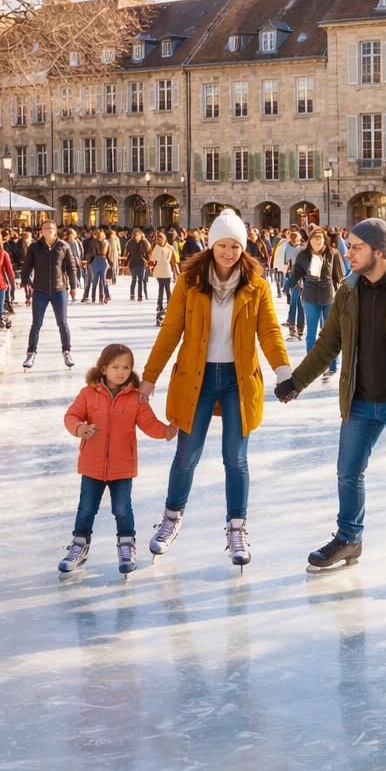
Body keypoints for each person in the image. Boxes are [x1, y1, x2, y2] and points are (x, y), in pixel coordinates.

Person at [274, 217, 386, 586]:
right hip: (359, 400)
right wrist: (296, 382)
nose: (349, 253)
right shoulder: (348, 291)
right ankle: (349, 538)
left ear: (380, 251)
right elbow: (328, 344)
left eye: (357, 247)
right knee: (348, 472)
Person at [139, 211, 290, 570]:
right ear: (211, 245)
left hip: (239, 381)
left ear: (243, 247)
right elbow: (170, 331)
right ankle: (171, 519)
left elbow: (269, 331)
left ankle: (237, 527)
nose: (228, 252)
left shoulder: (256, 285)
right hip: (198, 379)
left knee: (235, 458)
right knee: (186, 455)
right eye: (222, 244)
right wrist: (149, 376)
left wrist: (283, 371)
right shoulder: (190, 282)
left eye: (235, 246)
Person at [56, 343, 177, 575]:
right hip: (92, 465)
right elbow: (71, 416)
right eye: (115, 367)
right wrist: (79, 428)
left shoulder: (136, 398)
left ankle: (126, 545)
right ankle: (79, 546)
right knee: (86, 509)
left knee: (122, 509)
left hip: (122, 466)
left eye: (126, 367)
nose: (121, 372)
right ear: (103, 369)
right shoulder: (88, 394)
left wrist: (166, 431)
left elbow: (149, 424)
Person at [21, 218, 81, 370]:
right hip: (40, 290)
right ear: (41, 231)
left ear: (55, 231)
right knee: (36, 324)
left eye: (51, 228)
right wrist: (26, 282)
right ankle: (31, 353)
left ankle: (67, 351)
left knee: (63, 323)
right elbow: (26, 266)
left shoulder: (63, 246)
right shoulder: (34, 247)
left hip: (59, 290)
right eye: (45, 228)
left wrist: (73, 286)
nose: (48, 230)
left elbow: (71, 267)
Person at [288, 226, 345, 377]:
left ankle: (332, 364)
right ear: (310, 239)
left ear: (324, 239)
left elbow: (339, 275)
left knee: (329, 332)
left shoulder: (332, 253)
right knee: (311, 333)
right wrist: (290, 283)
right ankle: (311, 365)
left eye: (320, 237)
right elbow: (297, 272)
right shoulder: (303, 255)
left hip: (328, 297)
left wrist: (340, 291)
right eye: (315, 237)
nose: (318, 240)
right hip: (310, 297)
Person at [125, 227, 151, 302]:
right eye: (135, 234)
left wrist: (144, 239)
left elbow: (149, 248)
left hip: (142, 264)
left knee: (140, 280)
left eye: (138, 234)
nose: (137, 236)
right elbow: (128, 252)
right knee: (134, 279)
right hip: (133, 263)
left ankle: (140, 296)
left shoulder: (143, 242)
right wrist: (127, 264)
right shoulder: (130, 242)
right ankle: (132, 294)